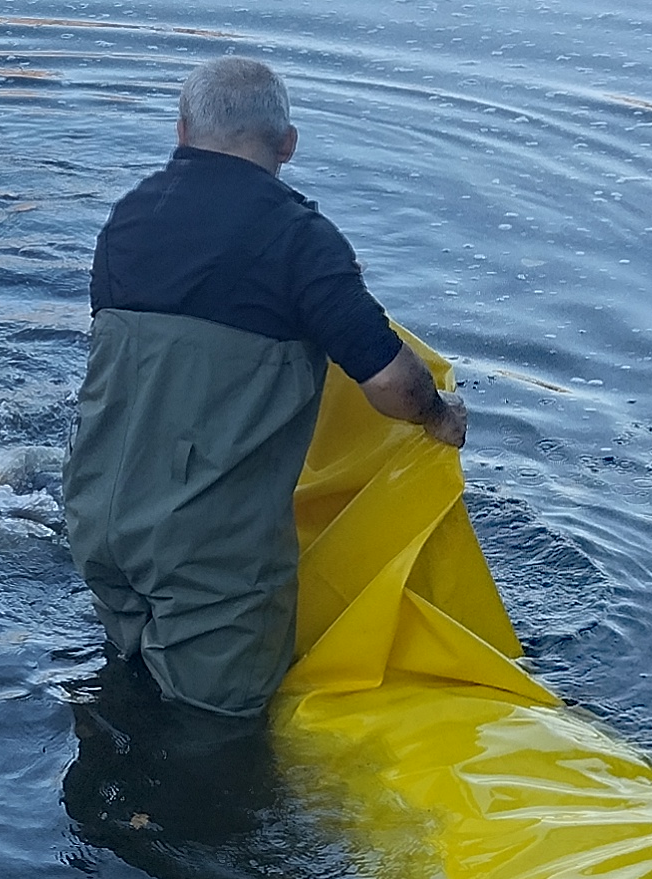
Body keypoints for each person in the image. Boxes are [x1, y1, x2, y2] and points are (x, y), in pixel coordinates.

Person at [65, 56, 464, 717]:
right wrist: (438, 415)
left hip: (99, 518)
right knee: (212, 731)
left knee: (123, 690)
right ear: (288, 143)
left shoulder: (128, 219)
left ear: (182, 132)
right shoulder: (299, 240)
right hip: (204, 552)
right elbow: (392, 382)